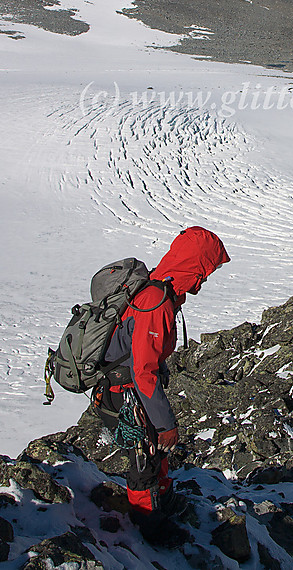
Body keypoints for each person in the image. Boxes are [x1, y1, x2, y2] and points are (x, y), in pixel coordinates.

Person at [93, 226, 230, 544]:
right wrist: (167, 424)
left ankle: (163, 501)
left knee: (154, 448)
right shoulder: (156, 301)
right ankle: (148, 526)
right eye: (206, 269)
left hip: (122, 387)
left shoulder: (156, 290)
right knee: (146, 456)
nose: (206, 278)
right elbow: (143, 372)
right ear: (194, 266)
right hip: (124, 392)